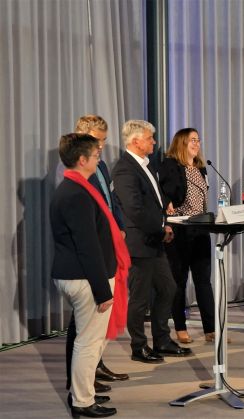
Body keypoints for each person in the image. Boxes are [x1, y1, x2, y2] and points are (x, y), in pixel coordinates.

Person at [51, 133, 128, 418]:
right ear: (82, 160)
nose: (99, 160)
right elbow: (87, 247)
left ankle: (83, 393)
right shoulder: (76, 194)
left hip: (81, 274)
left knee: (90, 340)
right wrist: (102, 290)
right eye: (95, 156)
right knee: (88, 342)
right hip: (85, 277)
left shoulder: (74, 189)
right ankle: (82, 401)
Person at [111, 120, 192, 364]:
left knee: (168, 288)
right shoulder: (125, 168)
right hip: (139, 242)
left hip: (153, 240)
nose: (154, 142)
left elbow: (153, 202)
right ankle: (139, 346)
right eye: (150, 138)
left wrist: (163, 222)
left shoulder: (146, 165)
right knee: (139, 298)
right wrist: (159, 228)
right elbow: (134, 209)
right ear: (135, 141)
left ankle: (162, 339)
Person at [158, 128, 215, 343]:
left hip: (200, 228)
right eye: (192, 140)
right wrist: (166, 204)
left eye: (198, 140)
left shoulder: (200, 168)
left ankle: (211, 329)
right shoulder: (170, 165)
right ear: (181, 142)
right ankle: (180, 328)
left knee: (203, 281)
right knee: (179, 280)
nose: (197, 143)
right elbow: (161, 192)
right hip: (179, 229)